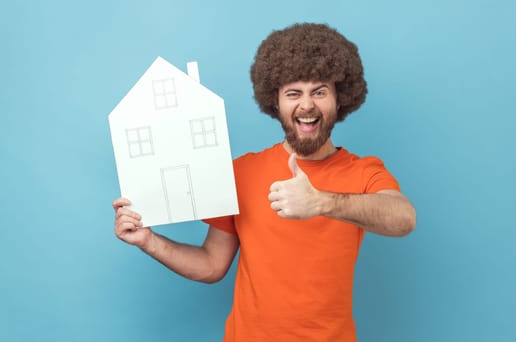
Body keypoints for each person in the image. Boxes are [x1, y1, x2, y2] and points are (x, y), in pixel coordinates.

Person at [113, 23, 416, 342]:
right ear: (276, 102)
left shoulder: (363, 171)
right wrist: (149, 241)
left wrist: (320, 202)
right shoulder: (242, 172)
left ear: (340, 99)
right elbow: (212, 265)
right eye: (293, 93)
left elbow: (403, 218)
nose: (307, 105)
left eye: (319, 91)